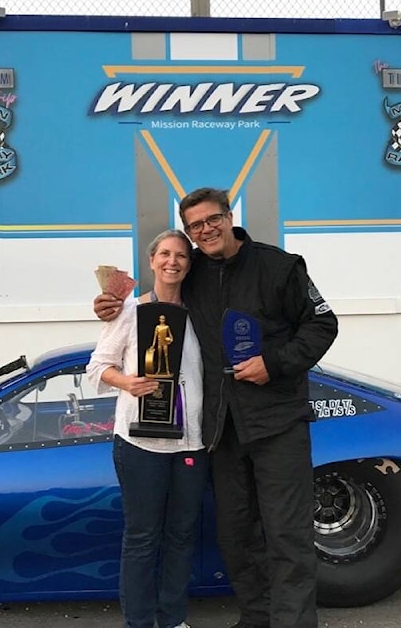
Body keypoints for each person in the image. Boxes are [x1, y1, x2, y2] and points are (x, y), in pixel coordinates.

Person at [94, 187, 339, 628]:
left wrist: (274, 364)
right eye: (195, 226)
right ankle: (256, 617)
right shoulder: (196, 273)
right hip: (220, 431)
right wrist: (111, 306)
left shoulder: (279, 266)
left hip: (276, 423)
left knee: (287, 535)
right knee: (236, 535)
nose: (205, 230)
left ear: (229, 217)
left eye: (212, 220)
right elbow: (154, 301)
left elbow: (323, 324)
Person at [86, 229, 208, 628]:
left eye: (182, 256)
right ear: (152, 261)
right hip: (141, 444)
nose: (173, 261)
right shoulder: (129, 311)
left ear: (190, 265)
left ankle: (172, 619)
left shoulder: (201, 313)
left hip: (191, 442)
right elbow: (96, 368)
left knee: (182, 535)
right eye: (166, 254)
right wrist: (127, 382)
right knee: (142, 538)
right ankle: (138, 623)